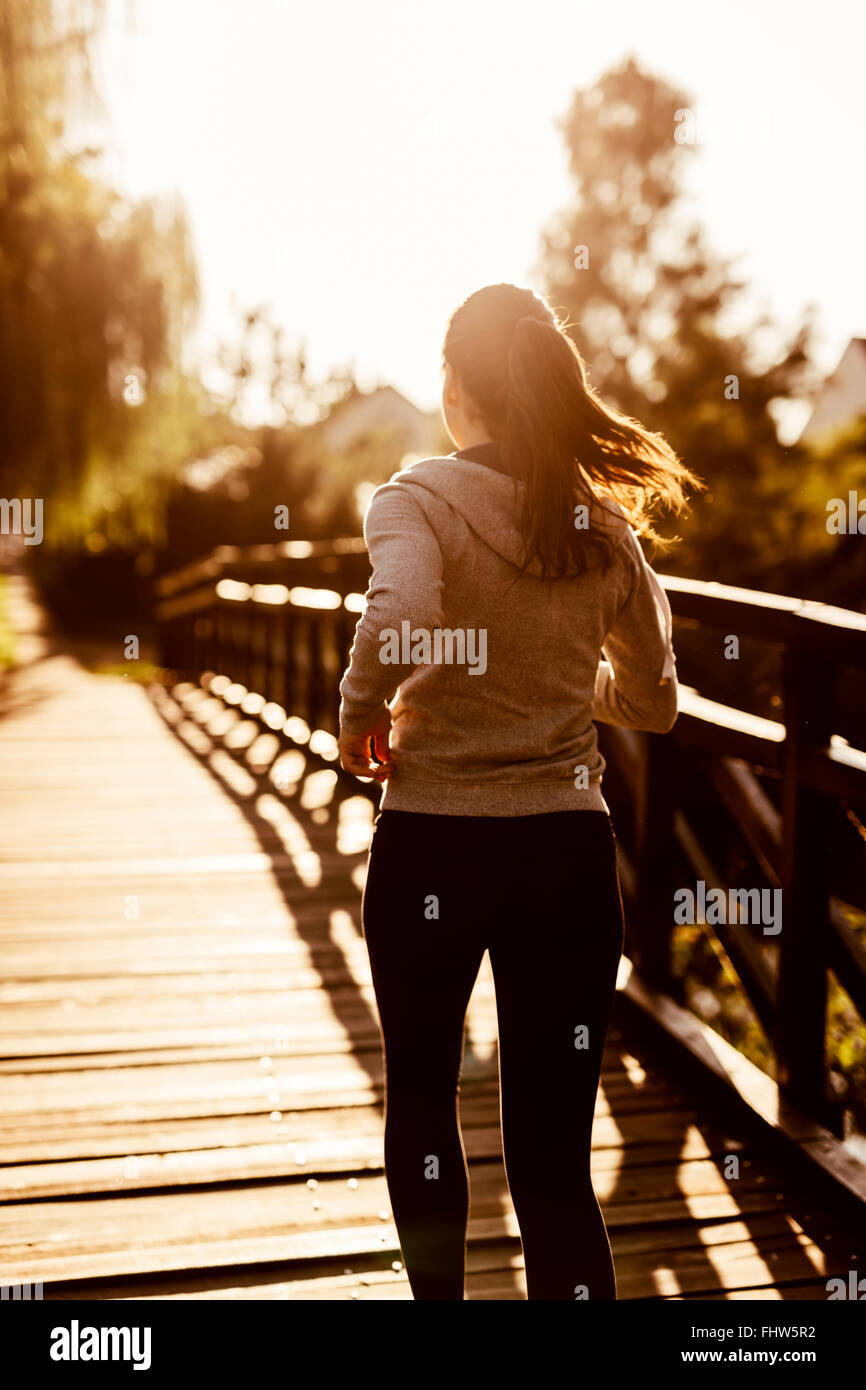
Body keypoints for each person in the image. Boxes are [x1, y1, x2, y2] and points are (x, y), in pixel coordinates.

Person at [337, 283, 698, 1301]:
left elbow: (402, 609)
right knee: (552, 1161)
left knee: (420, 1105)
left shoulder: (414, 498)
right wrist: (559, 677)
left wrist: (355, 709)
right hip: (564, 862)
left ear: (455, 386)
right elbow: (653, 700)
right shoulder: (597, 523)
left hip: (431, 852)